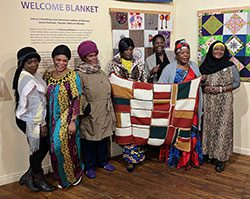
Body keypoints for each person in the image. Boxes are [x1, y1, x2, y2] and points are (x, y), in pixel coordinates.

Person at [12, 47, 55, 192]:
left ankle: (28, 176)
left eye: (36, 61)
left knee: (42, 146)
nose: (33, 65)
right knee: (37, 150)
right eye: (29, 62)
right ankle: (39, 179)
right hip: (31, 120)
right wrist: (42, 124)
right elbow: (36, 106)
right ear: (22, 64)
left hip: (31, 118)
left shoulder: (32, 75)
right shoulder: (27, 79)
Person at [158, 39, 203, 169]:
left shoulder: (194, 66)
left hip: (192, 108)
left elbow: (198, 85)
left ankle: (191, 159)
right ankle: (178, 160)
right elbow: (161, 86)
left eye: (187, 53)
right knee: (178, 134)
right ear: (176, 55)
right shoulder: (169, 68)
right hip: (178, 109)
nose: (185, 55)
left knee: (191, 133)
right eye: (182, 53)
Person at [75, 40, 116, 179]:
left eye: (95, 55)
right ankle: (89, 166)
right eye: (90, 56)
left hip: (104, 110)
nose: (93, 58)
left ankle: (103, 161)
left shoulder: (100, 71)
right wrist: (85, 107)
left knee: (103, 138)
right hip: (91, 112)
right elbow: (78, 94)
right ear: (83, 58)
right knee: (90, 140)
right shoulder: (80, 74)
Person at [46, 45, 84, 188]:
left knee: (66, 148)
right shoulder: (48, 75)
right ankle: (62, 176)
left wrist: (73, 121)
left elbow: (76, 99)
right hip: (52, 119)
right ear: (53, 59)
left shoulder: (72, 76)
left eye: (64, 60)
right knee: (55, 149)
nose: (61, 63)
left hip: (67, 118)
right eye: (58, 60)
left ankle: (75, 175)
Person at [199, 41, 240, 172]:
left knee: (223, 128)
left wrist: (221, 89)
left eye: (221, 50)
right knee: (209, 127)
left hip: (224, 101)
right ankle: (209, 154)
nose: (218, 52)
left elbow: (236, 83)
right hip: (209, 101)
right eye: (216, 49)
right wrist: (203, 83)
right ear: (211, 50)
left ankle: (221, 159)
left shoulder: (230, 66)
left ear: (225, 52)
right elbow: (198, 83)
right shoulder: (204, 65)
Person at [108, 37, 147, 173]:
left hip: (137, 101)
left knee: (138, 126)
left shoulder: (139, 63)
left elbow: (144, 81)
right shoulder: (114, 63)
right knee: (126, 129)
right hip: (122, 103)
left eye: (131, 49)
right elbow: (112, 82)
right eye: (126, 50)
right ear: (121, 50)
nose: (129, 52)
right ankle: (129, 160)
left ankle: (139, 157)